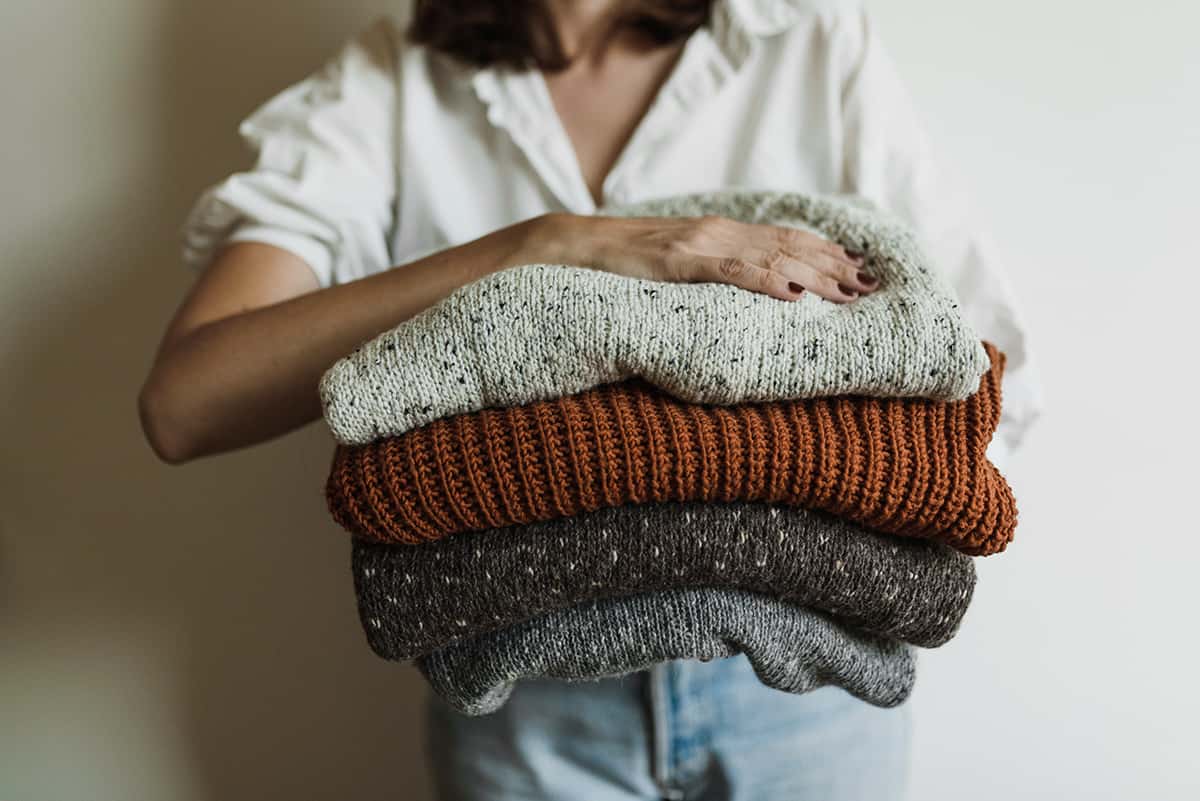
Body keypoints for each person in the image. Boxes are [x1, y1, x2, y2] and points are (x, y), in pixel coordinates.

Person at [139, 1, 1040, 799]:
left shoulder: (801, 42)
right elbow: (185, 404)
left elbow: (976, 362)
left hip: (807, 696)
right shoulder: (393, 85)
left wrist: (830, 532)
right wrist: (545, 245)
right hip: (523, 708)